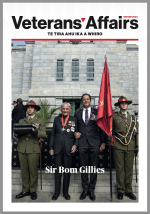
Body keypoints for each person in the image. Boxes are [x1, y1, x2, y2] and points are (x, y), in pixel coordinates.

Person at [74, 94, 106, 201]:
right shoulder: (77, 113)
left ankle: (91, 190)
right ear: (82, 101)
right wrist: (75, 134)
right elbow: (76, 128)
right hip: (82, 143)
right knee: (83, 167)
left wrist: (103, 142)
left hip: (94, 143)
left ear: (90, 101)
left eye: (87, 99)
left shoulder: (97, 112)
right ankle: (85, 189)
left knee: (93, 167)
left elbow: (101, 128)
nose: (86, 101)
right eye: (84, 99)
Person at [14, 100, 46, 200]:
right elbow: (16, 134)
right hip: (22, 147)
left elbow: (43, 134)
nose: (29, 109)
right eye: (28, 108)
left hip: (33, 148)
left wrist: (36, 132)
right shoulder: (21, 121)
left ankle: (33, 190)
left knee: (33, 171)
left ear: (35, 109)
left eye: (32, 107)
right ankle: (25, 190)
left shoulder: (40, 120)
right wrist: (18, 133)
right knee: (24, 171)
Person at [49, 103, 78, 200]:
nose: (65, 110)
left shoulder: (74, 119)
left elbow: (77, 134)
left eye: (66, 109)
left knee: (67, 172)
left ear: (69, 110)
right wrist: (51, 147)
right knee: (57, 172)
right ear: (61, 109)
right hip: (57, 148)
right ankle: (56, 192)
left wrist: (75, 145)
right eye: (63, 109)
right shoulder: (57, 119)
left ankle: (65, 192)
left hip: (69, 149)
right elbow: (52, 135)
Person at [112, 96, 138, 200]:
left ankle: (129, 190)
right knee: (119, 169)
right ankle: (120, 190)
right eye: (122, 103)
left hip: (130, 146)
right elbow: (110, 131)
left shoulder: (133, 118)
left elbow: (136, 133)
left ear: (128, 105)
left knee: (129, 169)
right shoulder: (114, 116)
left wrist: (137, 145)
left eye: (125, 103)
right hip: (118, 145)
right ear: (118, 105)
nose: (124, 104)